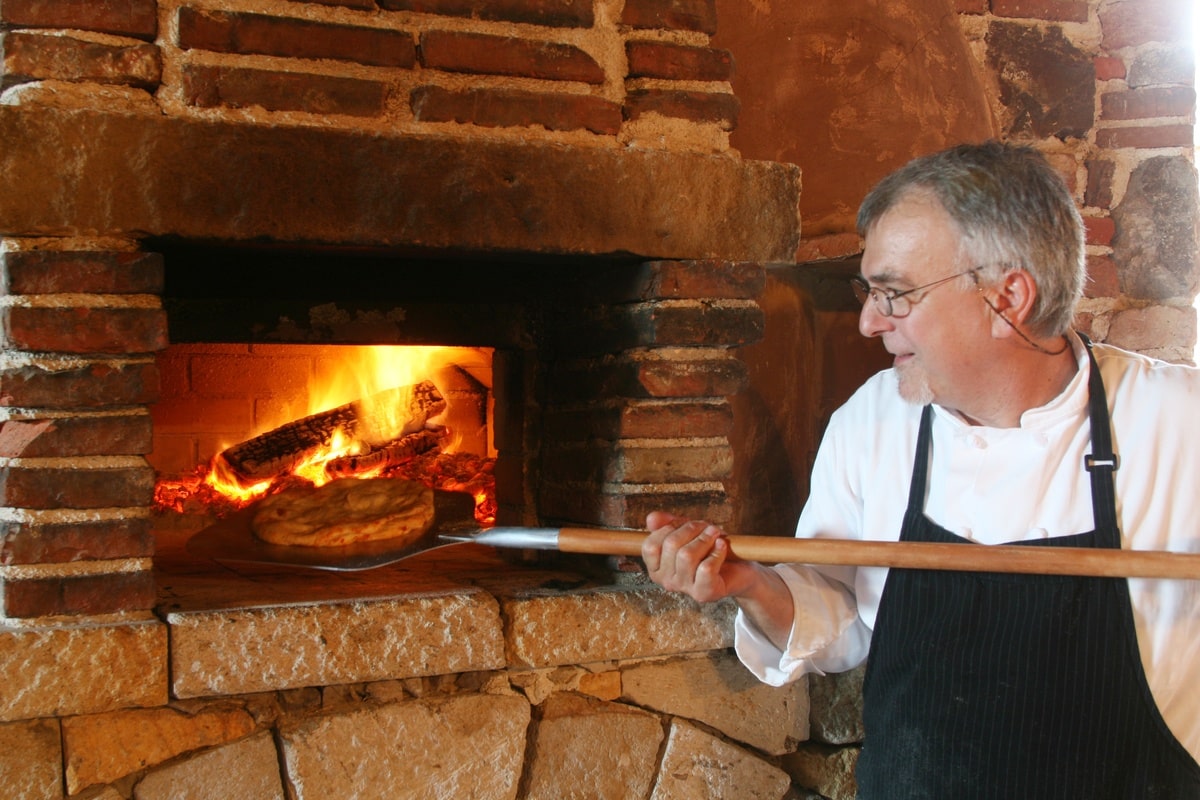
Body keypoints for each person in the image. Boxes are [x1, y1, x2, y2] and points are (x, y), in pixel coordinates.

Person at [641, 140, 1200, 798]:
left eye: (895, 293)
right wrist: (748, 583)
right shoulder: (873, 423)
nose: (869, 322)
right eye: (870, 290)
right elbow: (838, 617)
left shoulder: (1178, 422)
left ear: (1007, 297)